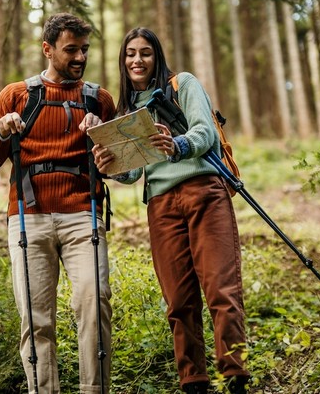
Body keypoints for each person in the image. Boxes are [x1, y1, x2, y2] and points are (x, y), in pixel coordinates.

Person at [92, 27, 250, 393]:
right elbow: (133, 172)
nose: (137, 60)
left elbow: (205, 133)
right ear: (123, 60)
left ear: (156, 56)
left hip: (204, 192)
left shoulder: (182, 84)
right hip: (161, 206)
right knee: (178, 300)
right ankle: (193, 380)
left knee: (221, 289)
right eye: (130, 53)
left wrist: (177, 144)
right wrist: (109, 164)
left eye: (145, 52)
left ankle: (235, 376)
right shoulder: (128, 109)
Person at [0, 13, 116, 394]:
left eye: (85, 49)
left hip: (83, 214)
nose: (80, 58)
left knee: (94, 299)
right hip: (28, 217)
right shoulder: (16, 95)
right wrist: (4, 130)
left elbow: (121, 166)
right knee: (36, 319)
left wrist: (101, 141)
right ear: (48, 49)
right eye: (71, 50)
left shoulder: (99, 99)